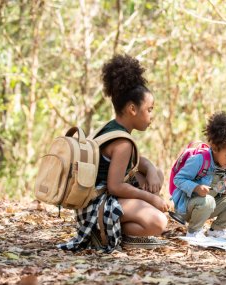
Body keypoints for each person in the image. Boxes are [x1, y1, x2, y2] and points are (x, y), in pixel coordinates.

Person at [59, 54, 168, 251]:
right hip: (95, 209)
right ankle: (108, 234)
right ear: (132, 109)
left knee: (156, 175)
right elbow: (115, 186)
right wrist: (151, 199)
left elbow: (133, 163)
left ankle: (124, 226)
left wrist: (151, 169)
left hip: (97, 202)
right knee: (158, 223)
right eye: (149, 109)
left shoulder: (112, 128)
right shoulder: (123, 142)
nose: (152, 115)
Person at [172, 112, 226, 238]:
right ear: (215, 148)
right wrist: (196, 188)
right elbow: (178, 179)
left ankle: (217, 230)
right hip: (188, 207)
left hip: (209, 205)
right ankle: (193, 232)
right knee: (207, 201)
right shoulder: (199, 160)